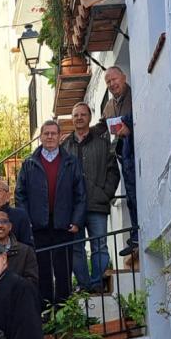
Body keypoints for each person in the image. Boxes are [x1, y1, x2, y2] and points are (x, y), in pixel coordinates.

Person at [15, 119, 87, 309]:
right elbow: (20, 194)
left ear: (59, 136)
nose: (49, 137)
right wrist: (26, 221)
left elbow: (80, 194)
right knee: (42, 269)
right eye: (46, 133)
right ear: (40, 137)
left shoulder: (71, 162)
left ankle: (63, 309)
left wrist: (77, 221)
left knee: (64, 268)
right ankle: (45, 311)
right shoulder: (29, 163)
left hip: (64, 224)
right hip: (38, 225)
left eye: (53, 133)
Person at [63, 101, 120, 290]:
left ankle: (97, 284)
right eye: (75, 115)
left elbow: (113, 170)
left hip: (97, 204)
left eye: (83, 114)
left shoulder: (102, 143)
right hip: (72, 208)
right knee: (76, 248)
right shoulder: (64, 146)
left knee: (100, 246)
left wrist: (105, 193)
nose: (79, 118)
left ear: (89, 117)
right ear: (72, 119)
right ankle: (84, 285)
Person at [95, 66, 137, 259]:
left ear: (124, 77)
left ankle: (136, 234)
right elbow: (102, 127)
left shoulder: (135, 93)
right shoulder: (109, 107)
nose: (112, 84)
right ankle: (135, 234)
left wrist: (129, 126)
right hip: (124, 156)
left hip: (138, 150)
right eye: (108, 82)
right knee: (130, 197)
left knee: (136, 195)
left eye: (114, 79)